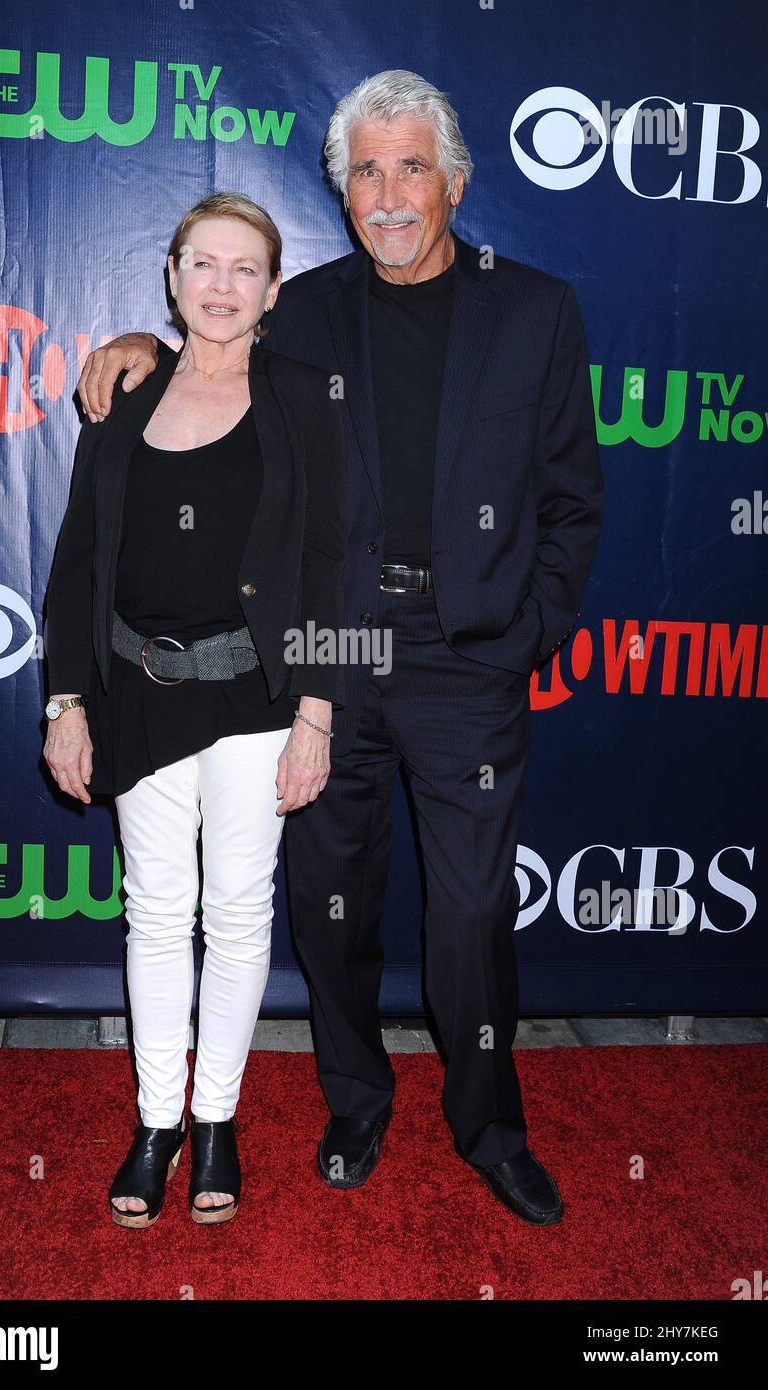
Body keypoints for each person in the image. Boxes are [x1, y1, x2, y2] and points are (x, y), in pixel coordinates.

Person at [75, 71, 604, 1226]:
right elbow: (203, 350)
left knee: (468, 911)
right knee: (328, 898)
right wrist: (129, 345)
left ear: (455, 180)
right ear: (343, 190)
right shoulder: (304, 308)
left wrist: (531, 630)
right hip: (328, 644)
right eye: (365, 170)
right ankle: (355, 1102)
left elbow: (573, 500)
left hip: (469, 651)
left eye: (411, 166)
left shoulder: (537, 310)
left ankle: (489, 1125)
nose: (390, 193)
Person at [43, 192, 345, 1228]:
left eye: (245, 269)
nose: (221, 285)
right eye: (202, 264)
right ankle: (155, 1124)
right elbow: (79, 557)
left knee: (238, 912)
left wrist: (318, 712)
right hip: (137, 690)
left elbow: (332, 564)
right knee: (157, 912)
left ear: (271, 290)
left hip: (260, 699)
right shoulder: (122, 393)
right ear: (171, 277)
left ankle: (216, 1120)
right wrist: (66, 698)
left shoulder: (305, 397)